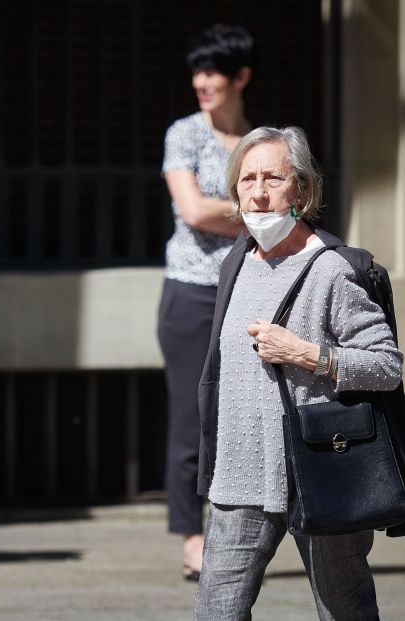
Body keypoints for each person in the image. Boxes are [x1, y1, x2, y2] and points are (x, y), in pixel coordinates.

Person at [193, 126, 403, 619]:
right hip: (239, 475)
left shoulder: (331, 270)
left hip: (321, 471)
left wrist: (308, 354)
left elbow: (387, 366)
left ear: (303, 190)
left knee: (344, 610)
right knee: (215, 611)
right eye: (247, 180)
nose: (259, 193)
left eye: (273, 178)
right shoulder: (237, 263)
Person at [157, 24, 254, 580]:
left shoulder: (263, 140)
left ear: (241, 76)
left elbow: (293, 199)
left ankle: (237, 530)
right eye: (197, 71)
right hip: (190, 292)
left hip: (248, 287)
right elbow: (193, 211)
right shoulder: (184, 134)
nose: (202, 82)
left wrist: (249, 209)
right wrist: (259, 210)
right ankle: (192, 537)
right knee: (191, 417)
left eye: (213, 71)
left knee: (242, 417)